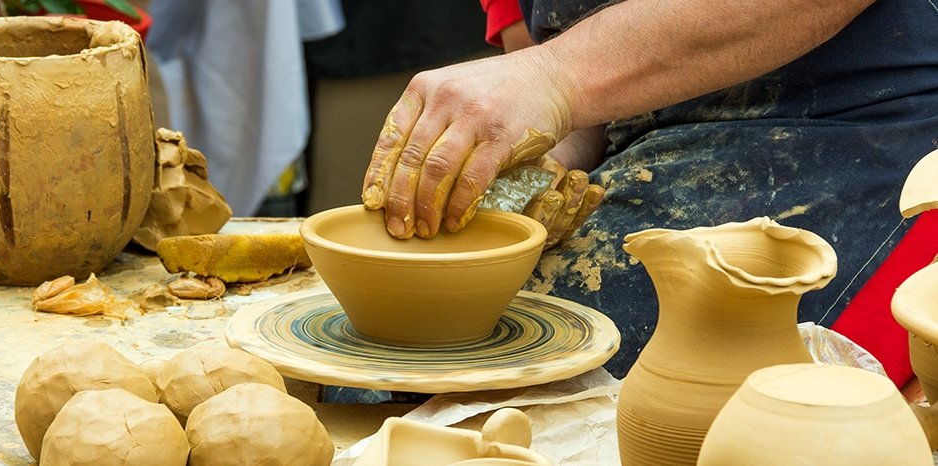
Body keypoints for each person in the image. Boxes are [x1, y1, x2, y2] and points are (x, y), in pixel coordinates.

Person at [361, 0, 938, 379]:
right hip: (635, 133)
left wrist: (557, 79)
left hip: (860, 120)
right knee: (403, 356)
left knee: (603, 378)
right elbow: (551, 49)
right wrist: (542, 152)